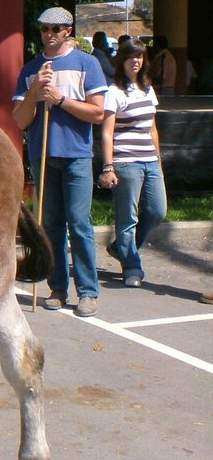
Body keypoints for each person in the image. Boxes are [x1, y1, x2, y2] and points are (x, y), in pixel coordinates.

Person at [13, 7, 107, 317]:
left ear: (68, 30)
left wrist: (61, 100)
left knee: (79, 225)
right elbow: (20, 120)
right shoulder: (31, 69)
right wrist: (35, 92)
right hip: (43, 155)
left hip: (77, 155)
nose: (48, 34)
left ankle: (88, 292)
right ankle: (56, 288)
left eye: (55, 28)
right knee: (50, 225)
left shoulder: (86, 63)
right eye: (43, 28)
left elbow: (97, 113)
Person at [98, 39, 166, 288]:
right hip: (126, 161)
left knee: (158, 211)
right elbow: (107, 132)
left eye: (140, 57)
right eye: (130, 57)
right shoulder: (114, 91)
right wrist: (108, 166)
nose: (136, 61)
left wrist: (158, 159)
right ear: (122, 61)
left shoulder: (147, 88)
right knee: (128, 217)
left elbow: (153, 127)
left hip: (150, 160)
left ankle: (120, 248)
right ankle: (131, 267)